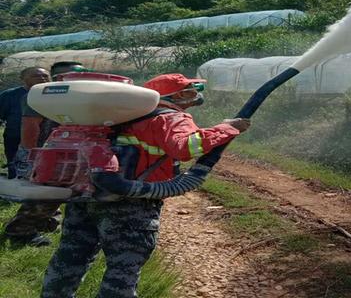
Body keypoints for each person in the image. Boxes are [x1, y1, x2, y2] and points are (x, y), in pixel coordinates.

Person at [41, 73, 250, 298]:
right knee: (123, 270)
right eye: (190, 90)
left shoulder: (113, 117)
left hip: (85, 196)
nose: (195, 95)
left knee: (70, 257)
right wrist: (228, 128)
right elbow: (186, 147)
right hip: (131, 203)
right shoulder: (170, 117)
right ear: (176, 95)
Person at [3, 61, 85, 247]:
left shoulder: (75, 95)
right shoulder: (42, 95)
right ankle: (20, 231)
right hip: (46, 154)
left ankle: (46, 222)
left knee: (61, 193)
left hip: (69, 153)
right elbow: (30, 127)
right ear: (58, 77)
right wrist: (31, 156)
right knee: (46, 194)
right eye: (73, 74)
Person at [0, 67, 51, 178]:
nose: (42, 78)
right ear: (22, 78)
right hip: (16, 138)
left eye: (45, 76)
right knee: (17, 167)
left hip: (49, 140)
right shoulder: (9, 96)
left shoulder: (56, 94)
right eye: (36, 76)